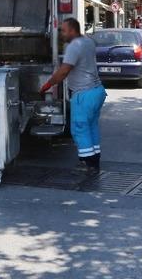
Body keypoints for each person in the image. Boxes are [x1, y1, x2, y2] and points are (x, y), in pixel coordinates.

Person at [40, 18, 107, 175]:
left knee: (79, 129)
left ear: (72, 30)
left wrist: (48, 84)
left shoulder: (74, 46)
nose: (62, 34)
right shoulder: (88, 41)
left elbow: (64, 71)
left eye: (64, 30)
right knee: (91, 127)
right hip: (97, 91)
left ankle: (90, 165)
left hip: (84, 94)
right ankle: (95, 160)